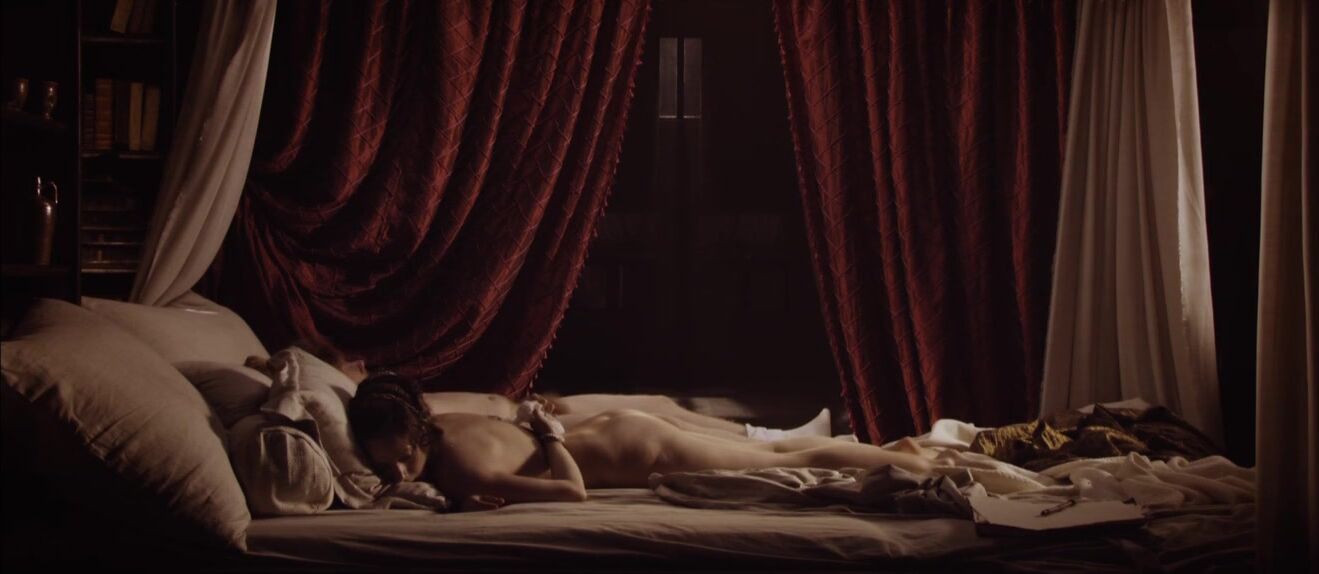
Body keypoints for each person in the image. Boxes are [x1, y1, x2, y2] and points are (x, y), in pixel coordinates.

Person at [348, 373, 938, 511]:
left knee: (785, 457)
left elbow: (573, 492)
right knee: (776, 453)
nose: (398, 474)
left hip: (632, 450)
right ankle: (896, 452)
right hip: (619, 434)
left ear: (409, 434)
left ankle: (904, 458)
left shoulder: (460, 468)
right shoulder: (443, 423)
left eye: (402, 459)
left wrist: (549, 436)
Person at [247, 341, 834, 442]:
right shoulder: (376, 407)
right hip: (528, 426)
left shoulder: (378, 394)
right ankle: (775, 443)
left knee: (658, 405)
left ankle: (774, 434)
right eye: (346, 362)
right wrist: (271, 366)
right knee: (662, 423)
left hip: (530, 408)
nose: (360, 361)